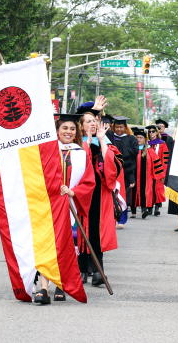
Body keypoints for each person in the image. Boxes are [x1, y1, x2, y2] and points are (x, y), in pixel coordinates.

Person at [34, 114, 96, 304]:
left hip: (70, 206)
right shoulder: (47, 151)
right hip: (47, 204)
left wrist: (72, 191)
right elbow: (36, 176)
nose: (68, 132)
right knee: (46, 244)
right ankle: (44, 289)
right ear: (57, 131)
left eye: (72, 129)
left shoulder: (81, 153)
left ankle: (60, 286)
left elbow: (89, 181)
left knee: (67, 245)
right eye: (64, 128)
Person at [76, 104, 121, 286]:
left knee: (95, 231)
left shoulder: (105, 142)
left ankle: (97, 271)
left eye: (94, 121)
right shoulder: (75, 144)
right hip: (78, 193)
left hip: (98, 194)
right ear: (81, 125)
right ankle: (81, 270)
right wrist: (86, 142)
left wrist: (101, 140)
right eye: (88, 121)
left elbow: (112, 169)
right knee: (80, 231)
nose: (92, 124)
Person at [134, 129, 166, 219]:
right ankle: (133, 211)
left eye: (141, 138)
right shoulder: (133, 149)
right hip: (134, 176)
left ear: (145, 139)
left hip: (147, 176)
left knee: (147, 191)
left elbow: (157, 162)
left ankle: (146, 209)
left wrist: (161, 175)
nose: (139, 139)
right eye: (137, 137)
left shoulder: (150, 150)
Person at [112, 116, 139, 211]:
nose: (119, 129)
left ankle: (122, 216)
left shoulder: (131, 138)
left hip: (127, 169)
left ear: (125, 127)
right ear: (113, 127)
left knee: (124, 193)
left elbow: (135, 151)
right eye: (117, 127)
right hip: (114, 169)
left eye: (121, 127)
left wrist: (121, 150)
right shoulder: (111, 138)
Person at [146, 125, 168, 216]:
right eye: (149, 131)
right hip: (149, 170)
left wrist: (163, 173)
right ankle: (150, 207)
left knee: (158, 188)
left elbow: (165, 160)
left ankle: (157, 207)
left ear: (157, 133)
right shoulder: (146, 144)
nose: (151, 133)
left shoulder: (162, 144)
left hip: (159, 170)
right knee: (150, 188)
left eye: (153, 131)